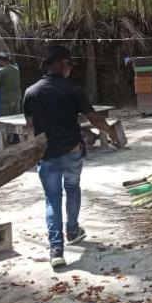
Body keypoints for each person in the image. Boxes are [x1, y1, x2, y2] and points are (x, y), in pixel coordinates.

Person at [23, 45, 120, 268]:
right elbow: (94, 118)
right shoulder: (72, 89)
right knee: (72, 189)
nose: (70, 69)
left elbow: (30, 127)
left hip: (45, 155)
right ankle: (73, 230)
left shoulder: (31, 92)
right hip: (72, 152)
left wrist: (31, 152)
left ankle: (56, 249)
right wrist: (111, 132)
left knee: (52, 199)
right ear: (61, 63)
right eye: (69, 64)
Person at [0, 52, 21, 116]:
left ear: (1, 61)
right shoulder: (16, 69)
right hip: (16, 100)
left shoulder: (0, 71)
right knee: (16, 120)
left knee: (5, 121)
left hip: (6, 101)